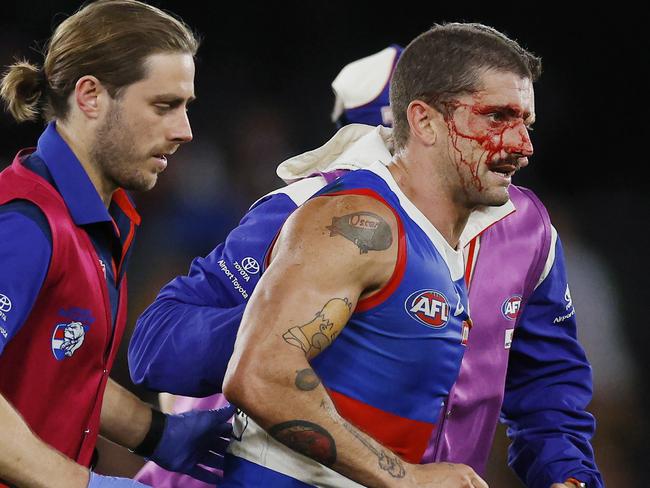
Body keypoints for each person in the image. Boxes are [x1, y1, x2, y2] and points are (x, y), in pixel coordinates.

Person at [129, 29, 601, 488]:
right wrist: (305, 321)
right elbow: (157, 344)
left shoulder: (526, 228)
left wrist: (568, 474)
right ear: (420, 122)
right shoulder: (320, 212)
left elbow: (548, 383)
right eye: (493, 119)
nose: (517, 144)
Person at [0, 1, 234, 487]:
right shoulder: (25, 223)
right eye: (164, 106)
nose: (184, 130)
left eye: (186, 107)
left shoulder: (99, 222)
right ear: (90, 96)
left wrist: (158, 433)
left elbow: (62, 367)